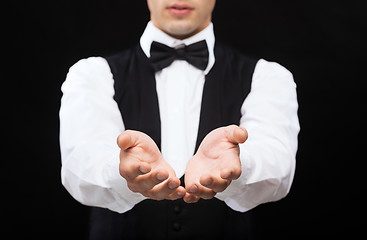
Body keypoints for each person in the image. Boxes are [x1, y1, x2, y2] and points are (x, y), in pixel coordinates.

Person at [59, 0, 300, 239]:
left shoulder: (267, 77)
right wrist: (123, 171)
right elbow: (79, 165)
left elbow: (278, 165)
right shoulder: (92, 75)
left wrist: (239, 164)